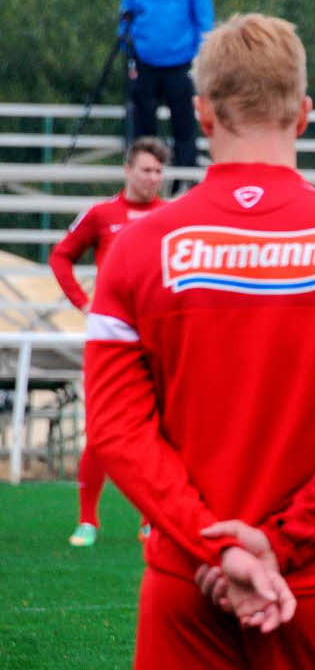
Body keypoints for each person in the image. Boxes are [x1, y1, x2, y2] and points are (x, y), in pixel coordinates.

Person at [84, 14, 315, 668]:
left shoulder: (133, 252)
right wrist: (281, 543)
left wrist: (219, 549)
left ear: (202, 113)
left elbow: (115, 429)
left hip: (188, 582)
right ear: (301, 113)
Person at [49, 136, 169, 547]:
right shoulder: (102, 214)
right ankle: (88, 521)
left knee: (161, 430)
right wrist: (83, 303)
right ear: (127, 170)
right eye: (146, 169)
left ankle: (153, 519)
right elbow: (60, 255)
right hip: (112, 339)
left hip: (159, 336)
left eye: (158, 171)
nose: (153, 178)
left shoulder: (172, 216)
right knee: (100, 429)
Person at [120, 0, 214, 187]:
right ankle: (142, 182)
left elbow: (203, 17)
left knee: (184, 125)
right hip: (145, 61)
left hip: (180, 62)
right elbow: (126, 12)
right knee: (143, 126)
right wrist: (129, 46)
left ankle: (186, 183)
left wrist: (200, 54)